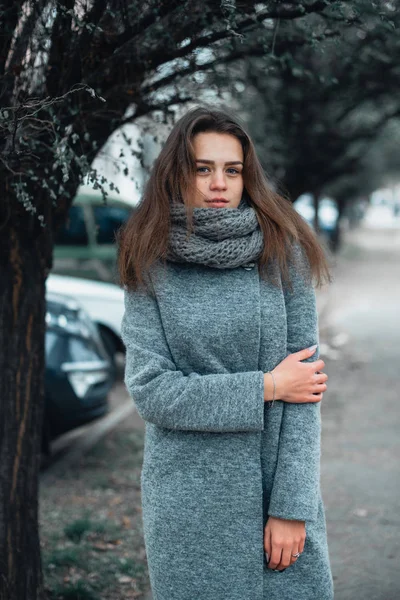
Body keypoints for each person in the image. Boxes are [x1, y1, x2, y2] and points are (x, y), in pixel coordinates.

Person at [118, 106, 333, 600]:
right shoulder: (148, 258)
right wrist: (268, 386)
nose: (219, 183)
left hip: (274, 495)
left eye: (232, 170)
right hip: (188, 503)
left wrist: (292, 506)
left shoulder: (283, 249)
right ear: (177, 174)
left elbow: (309, 391)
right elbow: (153, 392)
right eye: (203, 168)